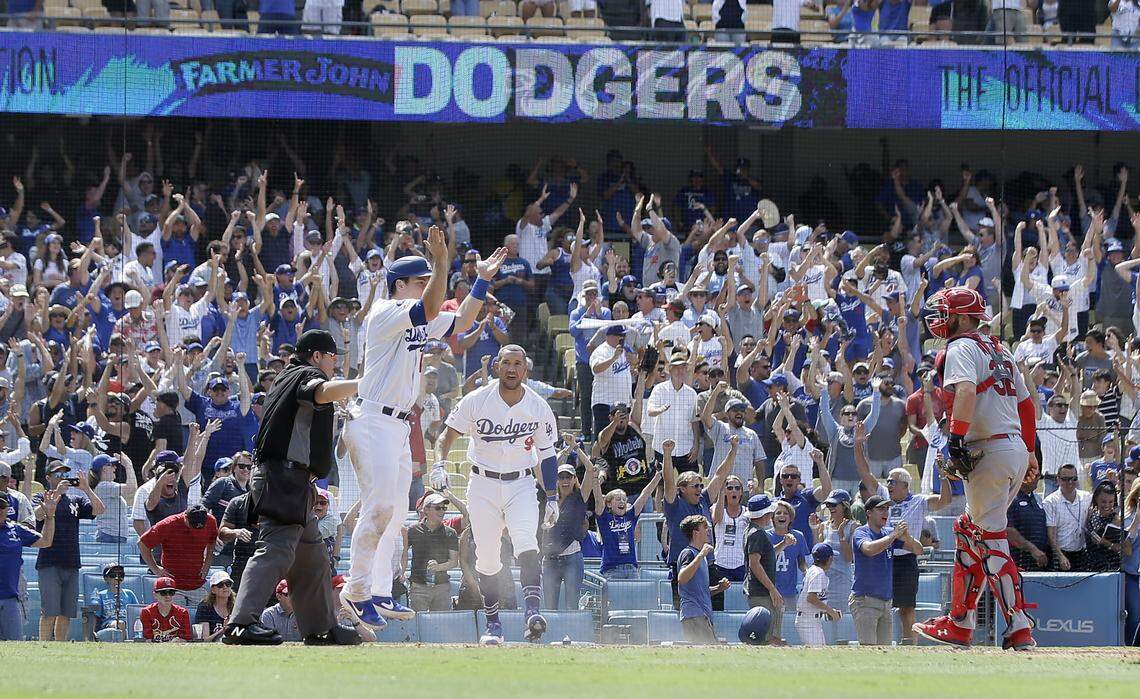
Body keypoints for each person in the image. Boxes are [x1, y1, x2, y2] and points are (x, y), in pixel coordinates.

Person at [340, 231, 504, 631]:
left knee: (394, 517)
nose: (427, 285)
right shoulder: (385, 311)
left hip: (397, 425)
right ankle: (354, 590)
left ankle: (377, 592)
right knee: (378, 509)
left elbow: (463, 319)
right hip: (373, 419)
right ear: (402, 285)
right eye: (421, 279)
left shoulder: (420, 316)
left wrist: (480, 280)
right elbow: (432, 304)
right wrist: (443, 261)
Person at [913, 287, 1038, 651]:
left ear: (964, 317)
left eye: (947, 312)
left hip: (989, 450)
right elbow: (1027, 405)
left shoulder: (961, 347)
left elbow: (965, 393)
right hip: (1011, 446)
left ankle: (1018, 625)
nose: (941, 318)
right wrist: (1029, 452)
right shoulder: (1000, 348)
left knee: (991, 537)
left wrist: (955, 440)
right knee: (970, 531)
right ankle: (960, 623)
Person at [223, 330, 363, 646]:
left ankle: (321, 628)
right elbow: (320, 392)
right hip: (282, 479)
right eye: (331, 357)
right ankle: (241, 623)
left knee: (312, 556)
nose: (334, 363)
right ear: (316, 356)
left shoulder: (288, 374)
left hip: (292, 482)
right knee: (275, 549)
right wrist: (362, 384)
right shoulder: (305, 374)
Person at [435, 344, 559, 645]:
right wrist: (438, 463)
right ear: (497, 367)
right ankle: (493, 626)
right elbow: (445, 436)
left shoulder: (538, 406)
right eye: (506, 363)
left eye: (518, 363)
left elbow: (548, 454)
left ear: (525, 370)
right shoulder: (477, 400)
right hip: (482, 485)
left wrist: (553, 495)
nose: (512, 368)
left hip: (521, 484)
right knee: (488, 559)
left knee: (527, 544)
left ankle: (532, 613)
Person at [34, 462, 104, 642]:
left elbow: (99, 509)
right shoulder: (41, 496)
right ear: (48, 477)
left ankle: (60, 645)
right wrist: (56, 494)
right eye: (57, 474)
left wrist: (87, 489)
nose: (62, 478)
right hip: (49, 561)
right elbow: (37, 515)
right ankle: (43, 647)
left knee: (66, 612)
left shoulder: (76, 500)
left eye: (65, 474)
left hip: (71, 562)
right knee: (49, 610)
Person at [885, 467, 952, 644]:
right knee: (881, 605)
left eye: (892, 482)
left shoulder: (918, 501)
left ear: (905, 485)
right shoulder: (883, 502)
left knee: (906, 607)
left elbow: (944, 500)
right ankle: (882, 643)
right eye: (888, 482)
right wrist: (859, 445)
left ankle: (910, 644)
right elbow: (866, 475)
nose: (888, 485)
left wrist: (943, 477)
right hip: (884, 557)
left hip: (906, 558)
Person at [851, 495, 923, 645]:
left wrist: (907, 536)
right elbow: (869, 549)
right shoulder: (861, 532)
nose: (886, 512)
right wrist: (894, 535)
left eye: (887, 509)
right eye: (880, 509)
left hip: (885, 603)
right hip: (865, 601)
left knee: (885, 651)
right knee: (868, 650)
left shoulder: (888, 533)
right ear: (869, 513)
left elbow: (918, 550)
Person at [138, 504, 218, 610]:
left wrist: (207, 563)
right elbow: (143, 543)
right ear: (185, 517)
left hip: (197, 582)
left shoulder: (211, 521)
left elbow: (212, 541)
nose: (196, 529)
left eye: (200, 526)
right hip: (172, 587)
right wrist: (156, 569)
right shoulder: (169, 524)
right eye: (193, 525)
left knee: (200, 621)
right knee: (177, 621)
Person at [0, 489, 56, 640]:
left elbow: (45, 541)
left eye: (2, 506)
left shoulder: (16, 529)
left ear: (7, 509)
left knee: (14, 646)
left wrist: (50, 517)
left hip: (10, 599)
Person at [542, 459, 596, 610]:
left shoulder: (580, 497)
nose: (564, 481)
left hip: (572, 557)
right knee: (549, 608)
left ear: (574, 479)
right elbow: (544, 470)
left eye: (568, 477)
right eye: (561, 477)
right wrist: (564, 452)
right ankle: (552, 634)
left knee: (572, 607)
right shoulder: (549, 498)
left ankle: (572, 634)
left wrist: (576, 448)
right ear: (556, 480)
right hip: (549, 559)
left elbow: (591, 469)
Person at [593, 470, 661, 580]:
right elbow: (597, 499)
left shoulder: (630, 516)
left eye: (624, 499)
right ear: (609, 504)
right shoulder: (605, 518)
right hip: (612, 570)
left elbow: (645, 494)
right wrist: (595, 481)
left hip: (631, 569)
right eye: (618, 499)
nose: (622, 502)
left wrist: (658, 476)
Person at [675, 515, 730, 644]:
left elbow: (701, 591)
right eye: (705, 527)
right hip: (694, 615)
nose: (709, 530)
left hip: (702, 615)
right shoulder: (689, 553)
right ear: (695, 533)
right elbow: (682, 578)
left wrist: (719, 588)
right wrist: (701, 555)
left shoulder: (701, 557)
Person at [404, 492, 459, 612]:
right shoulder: (413, 530)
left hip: (442, 587)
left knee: (442, 624)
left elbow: (454, 562)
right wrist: (401, 571)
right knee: (417, 623)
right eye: (438, 508)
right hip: (418, 587)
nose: (442, 511)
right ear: (426, 509)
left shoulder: (450, 533)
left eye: (444, 508)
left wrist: (438, 567)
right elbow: (402, 554)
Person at [743, 493, 782, 643]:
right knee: (767, 636)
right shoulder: (757, 534)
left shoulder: (752, 531)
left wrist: (783, 544)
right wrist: (772, 589)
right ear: (766, 513)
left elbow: (767, 554)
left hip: (759, 591)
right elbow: (755, 563)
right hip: (761, 592)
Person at [1045, 463, 1092, 572]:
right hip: (1060, 553)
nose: (1070, 483)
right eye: (1065, 479)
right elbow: (1051, 534)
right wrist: (1060, 556)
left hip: (1081, 553)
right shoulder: (1050, 502)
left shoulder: (1086, 497)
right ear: (1058, 480)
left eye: (1073, 479)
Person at [795, 543, 842, 647]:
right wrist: (830, 610)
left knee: (820, 652)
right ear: (829, 559)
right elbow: (811, 598)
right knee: (817, 652)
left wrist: (826, 611)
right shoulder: (818, 573)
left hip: (811, 619)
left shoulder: (814, 571)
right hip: (808, 621)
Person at [1084, 481, 1123, 572]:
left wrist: (1104, 542)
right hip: (1091, 565)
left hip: (1109, 567)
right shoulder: (1092, 514)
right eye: (1103, 501)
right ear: (1096, 499)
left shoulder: (1116, 520)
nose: (1107, 505)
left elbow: (1122, 549)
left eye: (1111, 502)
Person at [140, 577, 192, 643]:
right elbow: (148, 639)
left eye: (171, 592)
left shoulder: (183, 612)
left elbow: (185, 639)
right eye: (163, 593)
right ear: (155, 595)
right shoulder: (147, 612)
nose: (168, 596)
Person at [193, 571, 235, 641]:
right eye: (220, 585)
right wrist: (223, 630)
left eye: (228, 584)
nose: (225, 587)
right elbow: (204, 640)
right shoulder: (205, 607)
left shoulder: (237, 606)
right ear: (213, 590)